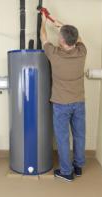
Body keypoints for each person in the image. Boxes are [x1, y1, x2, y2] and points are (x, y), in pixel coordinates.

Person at [40, 15, 87, 182]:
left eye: (60, 36)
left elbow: (43, 37)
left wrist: (43, 22)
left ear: (61, 41)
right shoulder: (82, 52)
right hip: (79, 102)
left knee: (62, 138)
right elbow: (79, 39)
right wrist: (63, 26)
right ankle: (78, 166)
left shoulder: (54, 54)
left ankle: (67, 172)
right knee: (79, 135)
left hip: (61, 105)